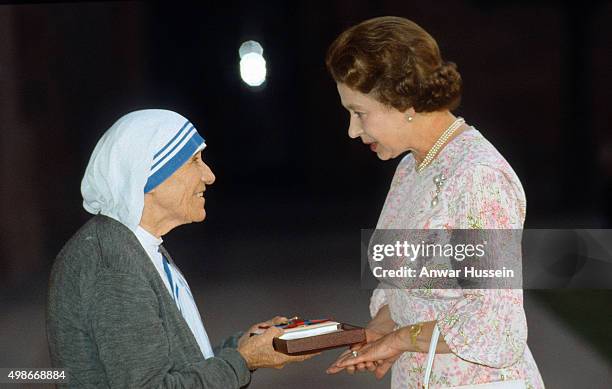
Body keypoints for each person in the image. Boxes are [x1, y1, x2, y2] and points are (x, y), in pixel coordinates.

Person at [324, 17, 545, 388]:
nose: (352, 130)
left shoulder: (478, 178)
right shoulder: (412, 167)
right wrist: (379, 333)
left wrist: (399, 340)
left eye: (359, 113)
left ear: (404, 101)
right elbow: (414, 289)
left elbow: (494, 322)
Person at [47, 109, 313, 388]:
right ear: (147, 175)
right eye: (194, 160)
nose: (209, 176)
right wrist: (243, 361)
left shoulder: (135, 245)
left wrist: (242, 348)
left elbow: (174, 363)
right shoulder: (112, 264)